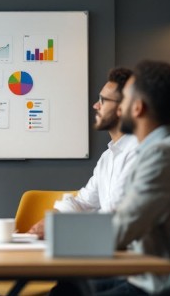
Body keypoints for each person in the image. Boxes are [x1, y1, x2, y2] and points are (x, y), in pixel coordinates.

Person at [87, 60, 170, 296]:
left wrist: (60, 239)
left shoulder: (161, 157)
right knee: (69, 288)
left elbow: (121, 231)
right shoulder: (164, 150)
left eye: (125, 100)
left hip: (160, 287)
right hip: (149, 278)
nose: (119, 109)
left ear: (138, 108)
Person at [29, 68, 138, 239]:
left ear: (123, 108)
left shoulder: (137, 153)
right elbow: (83, 202)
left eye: (103, 100)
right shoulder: (107, 158)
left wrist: (60, 227)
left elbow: (115, 217)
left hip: (128, 255)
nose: (96, 105)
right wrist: (50, 220)